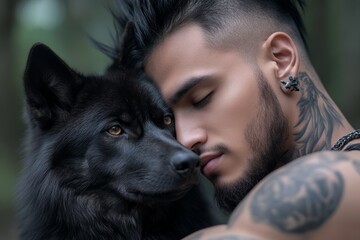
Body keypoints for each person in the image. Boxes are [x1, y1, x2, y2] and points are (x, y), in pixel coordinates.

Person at [108, 0, 360, 239]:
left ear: (281, 59)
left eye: (201, 98)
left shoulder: (343, 179)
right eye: (170, 120)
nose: (184, 140)